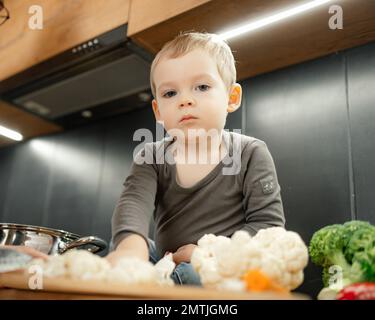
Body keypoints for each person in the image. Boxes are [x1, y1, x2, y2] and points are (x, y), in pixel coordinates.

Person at [106, 32, 285, 285]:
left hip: (223, 265)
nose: (185, 100)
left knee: (195, 274)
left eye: (202, 87)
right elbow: (133, 204)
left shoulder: (250, 153)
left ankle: (162, 287)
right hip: (165, 259)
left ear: (231, 98)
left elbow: (268, 228)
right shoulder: (152, 156)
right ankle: (150, 281)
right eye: (170, 94)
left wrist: (207, 255)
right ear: (158, 111)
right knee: (127, 243)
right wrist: (130, 252)